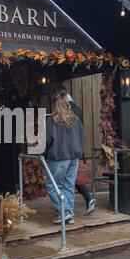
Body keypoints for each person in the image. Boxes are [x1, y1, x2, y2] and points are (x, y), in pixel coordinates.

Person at [45, 89, 85, 225]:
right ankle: (69, 215)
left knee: (53, 186)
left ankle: (65, 212)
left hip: (59, 158)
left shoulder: (52, 121)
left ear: (56, 105)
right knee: (68, 185)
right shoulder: (75, 119)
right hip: (74, 157)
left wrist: (43, 153)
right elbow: (82, 137)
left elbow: (46, 140)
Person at [55, 86, 97, 215]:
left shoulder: (69, 112)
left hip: (65, 151)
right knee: (70, 181)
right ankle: (71, 210)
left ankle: (66, 211)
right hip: (75, 149)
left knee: (59, 184)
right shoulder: (77, 109)